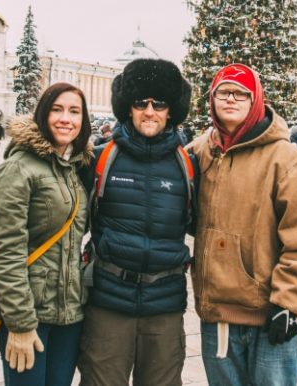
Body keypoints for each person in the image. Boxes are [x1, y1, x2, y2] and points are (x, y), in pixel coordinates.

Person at [191, 63, 297, 386]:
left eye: (241, 93)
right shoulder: (200, 152)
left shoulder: (287, 161)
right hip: (218, 318)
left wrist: (289, 301)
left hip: (271, 318)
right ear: (212, 99)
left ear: (255, 100)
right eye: (224, 92)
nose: (231, 99)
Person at [77, 59, 196, 386]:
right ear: (127, 108)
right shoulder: (101, 158)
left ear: (170, 110)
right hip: (109, 302)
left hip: (165, 305)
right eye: (140, 102)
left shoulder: (187, 165)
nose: (149, 110)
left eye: (159, 103)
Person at [0, 83, 92, 385]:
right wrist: (20, 324)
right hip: (29, 315)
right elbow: (7, 252)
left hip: (69, 314)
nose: (66, 119)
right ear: (43, 114)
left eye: (74, 112)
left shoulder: (73, 168)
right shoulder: (19, 168)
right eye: (57, 110)